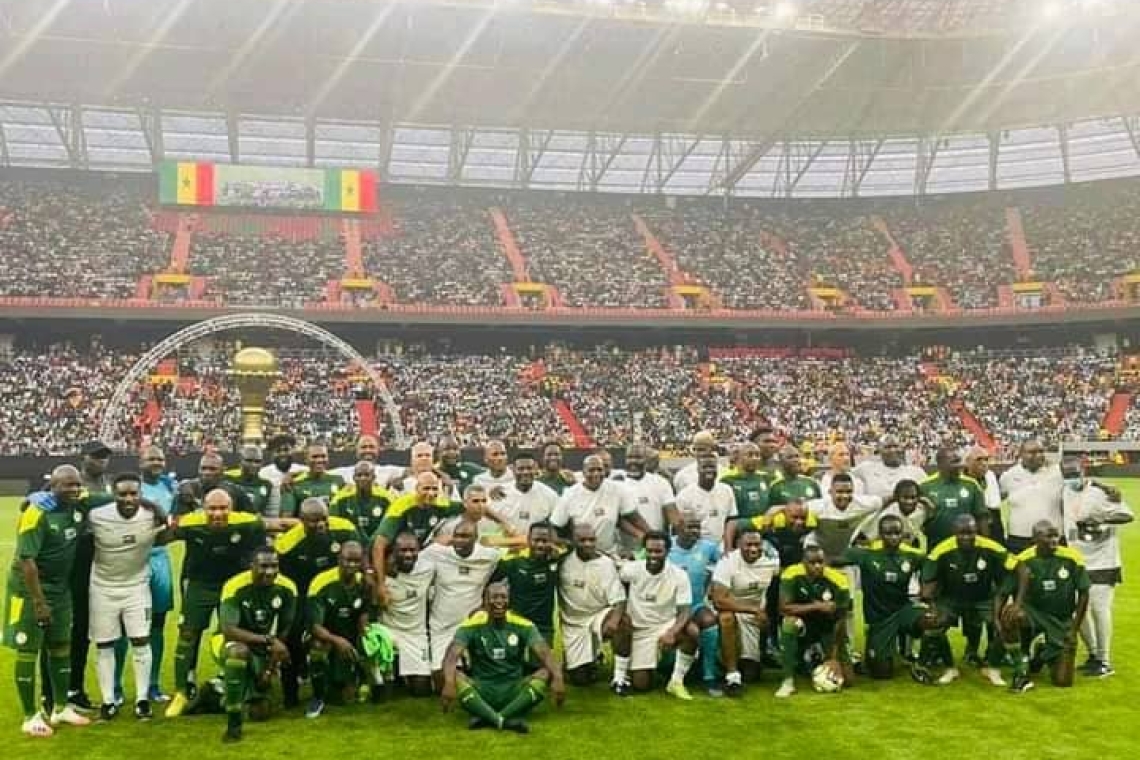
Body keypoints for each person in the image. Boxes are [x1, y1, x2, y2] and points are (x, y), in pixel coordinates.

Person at [5, 466, 107, 737]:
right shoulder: (36, 512)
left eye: (76, 485)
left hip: (60, 590)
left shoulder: (79, 503)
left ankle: (61, 707)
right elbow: (27, 560)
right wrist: (39, 602)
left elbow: (109, 498)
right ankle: (29, 715)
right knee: (29, 649)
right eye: (67, 486)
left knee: (61, 645)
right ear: (53, 486)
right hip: (29, 591)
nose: (73, 490)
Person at [166, 489, 267, 718]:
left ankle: (235, 685)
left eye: (223, 508)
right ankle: (181, 692)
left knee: (233, 635)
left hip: (232, 586)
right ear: (203, 508)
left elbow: (267, 536)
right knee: (188, 634)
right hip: (200, 584)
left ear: (231, 508)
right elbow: (164, 535)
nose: (218, 513)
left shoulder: (248, 522)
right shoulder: (191, 522)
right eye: (212, 508)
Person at [87, 473, 168, 720]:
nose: (129, 498)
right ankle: (108, 701)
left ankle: (142, 700)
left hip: (136, 587)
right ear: (114, 494)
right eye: (123, 494)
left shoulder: (151, 516)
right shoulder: (97, 516)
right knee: (104, 645)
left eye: (134, 493)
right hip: (102, 587)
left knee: (141, 640)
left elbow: (168, 529)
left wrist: (157, 510)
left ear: (141, 494)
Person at [440, 581, 565, 734]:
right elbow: (451, 656)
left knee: (546, 672)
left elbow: (545, 653)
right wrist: (448, 683)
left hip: (514, 690)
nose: (499, 602)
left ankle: (490, 717)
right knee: (454, 674)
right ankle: (506, 719)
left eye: (503, 597)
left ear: (509, 601)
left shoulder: (523, 625)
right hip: (482, 689)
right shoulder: (470, 626)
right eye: (494, 598)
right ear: (484, 602)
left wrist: (558, 678)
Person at [274, 498, 363, 707]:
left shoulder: (344, 529)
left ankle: (341, 680)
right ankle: (290, 692)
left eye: (324, 519)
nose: (321, 524)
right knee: (293, 638)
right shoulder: (287, 545)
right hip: (302, 595)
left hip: (335, 590)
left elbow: (359, 553)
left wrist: (366, 574)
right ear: (302, 521)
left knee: (341, 632)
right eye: (314, 521)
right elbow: (280, 580)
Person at [213, 547, 297, 742]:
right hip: (228, 642)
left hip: (261, 646)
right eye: (263, 566)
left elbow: (283, 634)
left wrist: (269, 670)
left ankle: (216, 692)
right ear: (251, 566)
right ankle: (234, 723)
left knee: (261, 713)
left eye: (274, 566)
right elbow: (229, 630)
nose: (269, 572)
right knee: (238, 652)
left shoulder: (287, 588)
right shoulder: (234, 586)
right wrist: (268, 640)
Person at [920, 514, 1014, 687]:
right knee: (934, 624)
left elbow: (1016, 568)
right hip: (951, 598)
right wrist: (932, 606)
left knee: (1006, 622)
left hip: (984, 598)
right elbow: (927, 580)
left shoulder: (991, 546)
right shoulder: (941, 550)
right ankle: (950, 668)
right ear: (954, 533)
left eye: (970, 533)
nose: (966, 538)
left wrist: (1003, 595)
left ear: (976, 532)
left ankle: (992, 668)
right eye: (961, 534)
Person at [1061, 457, 1133, 677]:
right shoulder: (1065, 492)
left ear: (1083, 470)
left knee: (1099, 610)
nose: (1072, 479)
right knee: (1077, 612)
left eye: (1075, 473)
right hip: (1077, 560)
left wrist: (1099, 519)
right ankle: (1093, 654)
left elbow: (1128, 515)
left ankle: (1104, 660)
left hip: (1103, 561)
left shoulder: (1100, 492)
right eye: (1067, 475)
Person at [1001, 521, 1090, 693]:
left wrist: (1074, 629)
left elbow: (1084, 594)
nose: (1054, 540)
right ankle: (1022, 664)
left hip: (1061, 619)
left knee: (1063, 681)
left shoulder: (1072, 558)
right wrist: (1004, 615)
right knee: (1012, 615)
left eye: (1056, 535)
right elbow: (1004, 591)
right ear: (1035, 539)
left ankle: (1042, 653)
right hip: (1033, 613)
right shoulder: (1023, 559)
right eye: (1048, 536)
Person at [840, 515, 930, 679]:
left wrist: (926, 591)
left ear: (903, 534)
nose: (893, 537)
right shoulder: (866, 555)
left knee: (932, 619)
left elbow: (934, 566)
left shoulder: (912, 556)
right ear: (880, 535)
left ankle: (921, 660)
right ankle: (881, 651)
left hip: (903, 611)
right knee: (882, 674)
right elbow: (832, 560)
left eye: (897, 533)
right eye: (888, 533)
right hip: (880, 621)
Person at [614, 531, 699, 700]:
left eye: (658, 551)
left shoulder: (679, 575)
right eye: (649, 551)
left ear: (667, 551)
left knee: (692, 631)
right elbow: (615, 578)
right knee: (641, 685)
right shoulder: (631, 570)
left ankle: (676, 681)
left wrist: (672, 632)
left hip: (665, 625)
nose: (653, 555)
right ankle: (620, 678)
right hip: (639, 630)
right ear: (644, 550)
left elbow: (685, 611)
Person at [62, 441, 113, 713]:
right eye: (96, 457)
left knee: (93, 626)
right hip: (78, 554)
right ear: (84, 457)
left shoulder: (106, 481)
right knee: (78, 626)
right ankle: (69, 689)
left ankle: (76, 689)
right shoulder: (74, 482)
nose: (101, 462)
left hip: (101, 553)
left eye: (104, 457)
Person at [418, 519, 501, 686]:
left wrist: (485, 606)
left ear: (476, 538)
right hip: (442, 625)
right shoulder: (436, 553)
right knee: (440, 682)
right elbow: (406, 558)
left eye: (465, 537)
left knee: (487, 679)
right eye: (457, 536)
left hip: (473, 625)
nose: (460, 541)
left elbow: (510, 568)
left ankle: (472, 667)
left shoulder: (490, 556)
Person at [710, 524, 780, 696]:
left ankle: (747, 659)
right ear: (739, 544)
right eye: (748, 545)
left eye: (757, 544)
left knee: (751, 674)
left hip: (754, 615)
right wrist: (753, 610)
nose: (753, 548)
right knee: (726, 618)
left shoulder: (771, 562)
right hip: (730, 610)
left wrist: (768, 620)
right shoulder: (727, 562)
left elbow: (778, 590)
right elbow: (719, 600)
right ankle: (732, 676)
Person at [775, 544, 851, 698]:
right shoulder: (791, 574)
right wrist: (817, 606)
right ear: (803, 562)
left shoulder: (839, 581)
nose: (817, 566)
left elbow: (841, 620)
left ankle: (814, 662)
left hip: (827, 627)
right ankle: (788, 681)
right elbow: (784, 608)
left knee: (848, 680)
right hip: (802, 625)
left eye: (821, 562)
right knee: (789, 624)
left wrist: (834, 658)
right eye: (812, 562)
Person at [305, 541, 370, 718]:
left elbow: (363, 612)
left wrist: (365, 635)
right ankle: (317, 697)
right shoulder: (321, 583)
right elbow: (314, 626)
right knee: (317, 648)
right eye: (348, 560)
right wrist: (337, 641)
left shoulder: (363, 583)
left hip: (348, 638)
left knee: (343, 698)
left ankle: (358, 676)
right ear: (338, 559)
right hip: (325, 637)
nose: (352, 565)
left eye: (356, 561)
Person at [558, 524, 627, 688]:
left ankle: (620, 678)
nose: (588, 544)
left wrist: (614, 620)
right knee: (580, 680)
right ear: (573, 541)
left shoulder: (606, 564)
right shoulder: (562, 561)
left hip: (598, 615)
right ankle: (588, 659)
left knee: (624, 623)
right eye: (582, 540)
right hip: (573, 623)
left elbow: (619, 599)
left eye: (591, 540)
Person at [137, 446, 178, 702]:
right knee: (124, 624)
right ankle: (117, 689)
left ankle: (152, 685)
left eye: (160, 459)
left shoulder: (169, 487)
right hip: (132, 558)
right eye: (151, 458)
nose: (156, 462)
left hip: (160, 557)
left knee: (158, 623)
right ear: (140, 461)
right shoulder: (133, 487)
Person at [667, 514, 722, 695]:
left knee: (710, 621)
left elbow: (724, 564)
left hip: (696, 604)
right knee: (692, 632)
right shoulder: (667, 546)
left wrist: (714, 585)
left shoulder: (708, 547)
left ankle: (709, 675)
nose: (695, 532)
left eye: (697, 527)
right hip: (668, 607)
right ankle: (673, 668)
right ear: (678, 527)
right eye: (690, 527)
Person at [551, 454, 647, 554]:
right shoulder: (569, 495)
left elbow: (632, 517)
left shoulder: (616, 489)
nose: (596, 473)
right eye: (591, 470)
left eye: (600, 469)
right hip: (581, 555)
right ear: (583, 472)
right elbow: (554, 527)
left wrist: (650, 535)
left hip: (610, 553)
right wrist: (570, 545)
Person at [379, 533, 435, 697]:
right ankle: (388, 676)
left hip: (416, 634)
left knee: (421, 691)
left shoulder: (428, 569)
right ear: (394, 552)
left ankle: (406, 675)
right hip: (390, 631)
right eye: (403, 550)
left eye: (412, 550)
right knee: (386, 695)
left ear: (419, 551)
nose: (408, 554)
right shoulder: (382, 577)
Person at [493, 523, 563, 645]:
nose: (540, 545)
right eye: (536, 540)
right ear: (528, 540)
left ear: (551, 541)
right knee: (512, 662)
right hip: (516, 622)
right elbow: (491, 585)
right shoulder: (513, 561)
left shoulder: (557, 558)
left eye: (545, 541)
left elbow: (575, 545)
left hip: (543, 625)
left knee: (540, 663)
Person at [1000, 439, 1064, 555]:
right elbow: (997, 499)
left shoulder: (1058, 474)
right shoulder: (1008, 476)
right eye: (1032, 452)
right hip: (1019, 539)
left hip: (1052, 538)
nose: (1038, 455)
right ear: (1021, 454)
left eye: (1041, 451)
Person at [920, 447, 989, 548]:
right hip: (936, 546)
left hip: (967, 546)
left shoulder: (972, 484)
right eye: (954, 462)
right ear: (940, 465)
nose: (960, 465)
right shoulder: (925, 486)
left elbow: (982, 518)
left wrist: (985, 545)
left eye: (960, 460)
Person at [486, 451, 559, 540]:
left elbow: (558, 522)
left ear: (536, 468)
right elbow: (485, 510)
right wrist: (503, 523)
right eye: (520, 469)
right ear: (513, 469)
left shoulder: (549, 495)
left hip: (537, 548)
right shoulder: (499, 493)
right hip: (505, 547)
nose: (525, 472)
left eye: (529, 468)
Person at [673, 454, 737, 545]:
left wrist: (728, 545)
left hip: (721, 545)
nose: (709, 470)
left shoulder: (726, 490)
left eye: (712, 467)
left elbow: (731, 519)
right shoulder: (684, 495)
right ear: (698, 469)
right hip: (696, 546)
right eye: (705, 467)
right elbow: (680, 527)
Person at [620, 443, 675, 546]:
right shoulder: (617, 484)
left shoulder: (661, 482)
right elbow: (619, 519)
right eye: (629, 457)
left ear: (646, 460)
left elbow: (670, 513)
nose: (633, 461)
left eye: (638, 457)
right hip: (627, 550)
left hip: (656, 546)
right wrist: (644, 535)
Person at [329, 461, 395, 539]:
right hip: (351, 542)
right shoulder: (340, 499)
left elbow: (392, 525)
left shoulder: (386, 498)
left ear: (374, 477)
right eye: (359, 475)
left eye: (367, 475)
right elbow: (332, 523)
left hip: (377, 541)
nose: (363, 478)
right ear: (354, 478)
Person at [175, 453, 255, 516]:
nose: (207, 473)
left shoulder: (235, 492)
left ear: (222, 471)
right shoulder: (187, 489)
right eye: (203, 468)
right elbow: (177, 522)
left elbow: (253, 518)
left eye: (212, 469)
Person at [852, 435, 927, 501]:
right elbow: (845, 475)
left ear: (902, 448)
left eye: (896, 446)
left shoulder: (917, 472)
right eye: (887, 447)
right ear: (879, 450)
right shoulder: (866, 468)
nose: (892, 450)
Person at [281, 444, 345, 517]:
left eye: (323, 456)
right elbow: (286, 517)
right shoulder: (293, 483)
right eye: (315, 457)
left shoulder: (339, 480)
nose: (319, 460)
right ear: (306, 459)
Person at [720, 442, 771, 523]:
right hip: (737, 527)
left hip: (763, 526)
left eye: (757, 455)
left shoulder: (766, 478)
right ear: (739, 457)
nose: (754, 458)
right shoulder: (728, 480)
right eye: (750, 455)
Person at [259, 433, 307, 518]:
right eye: (278, 450)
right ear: (272, 453)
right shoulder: (263, 474)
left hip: (294, 522)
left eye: (286, 449)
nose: (282, 453)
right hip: (270, 522)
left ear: (293, 450)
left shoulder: (303, 470)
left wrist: (293, 474)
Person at [965, 446, 1005, 546]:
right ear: (967, 462)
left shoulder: (990, 476)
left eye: (986, 459)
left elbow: (996, 505)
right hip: (971, 529)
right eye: (979, 459)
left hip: (994, 527)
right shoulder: (961, 480)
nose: (984, 463)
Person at [330, 434, 404, 485]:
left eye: (371, 447)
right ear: (356, 450)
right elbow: (324, 474)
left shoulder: (388, 471)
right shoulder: (343, 473)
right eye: (363, 447)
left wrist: (399, 481)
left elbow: (409, 471)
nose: (368, 450)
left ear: (378, 450)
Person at [223, 446, 274, 516]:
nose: (253, 465)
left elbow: (270, 513)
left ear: (262, 464)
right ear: (240, 461)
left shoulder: (267, 485)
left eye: (257, 461)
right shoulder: (228, 481)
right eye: (249, 460)